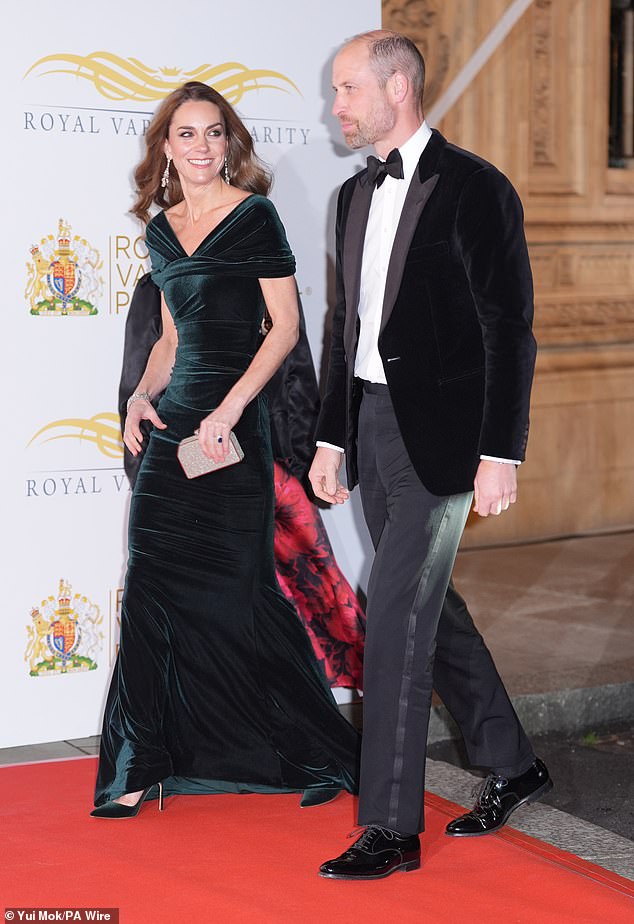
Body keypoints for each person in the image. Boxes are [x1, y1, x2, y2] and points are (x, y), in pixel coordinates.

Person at [309, 31, 552, 880]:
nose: (335, 104)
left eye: (346, 88)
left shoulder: (476, 188)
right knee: (426, 604)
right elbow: (346, 328)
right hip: (372, 427)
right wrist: (332, 436)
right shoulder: (349, 198)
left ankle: (389, 826)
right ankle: (513, 761)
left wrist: (501, 452)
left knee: (394, 608)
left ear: (398, 86)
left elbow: (507, 331)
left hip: (449, 442)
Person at [91, 80, 359, 818]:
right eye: (186, 135)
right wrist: (143, 395)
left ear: (228, 143)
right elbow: (172, 340)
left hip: (234, 432)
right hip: (176, 430)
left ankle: (308, 748)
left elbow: (285, 328)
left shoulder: (255, 216)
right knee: (147, 588)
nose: (201, 146)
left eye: (213, 133)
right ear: (167, 148)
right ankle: (141, 761)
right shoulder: (160, 228)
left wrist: (234, 407)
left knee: (241, 598)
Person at [118, 273, 365, 689]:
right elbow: (139, 382)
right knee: (202, 620)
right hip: (192, 481)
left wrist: (304, 468)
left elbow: (298, 379)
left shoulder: (272, 278)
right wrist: (150, 475)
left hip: (269, 477)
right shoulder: (160, 285)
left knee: (291, 615)